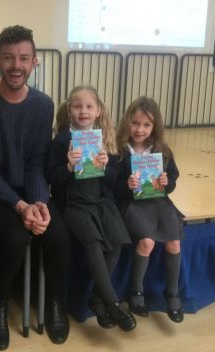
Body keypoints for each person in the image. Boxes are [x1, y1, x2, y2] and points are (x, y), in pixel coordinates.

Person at [0, 25, 71, 350]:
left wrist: (37, 203)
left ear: (34, 62)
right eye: (8, 57)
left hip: (29, 191)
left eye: (24, 58)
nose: (16, 65)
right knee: (13, 237)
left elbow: (37, 162)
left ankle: (55, 303)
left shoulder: (43, 104)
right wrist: (20, 206)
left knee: (57, 234)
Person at [48, 85, 136, 332]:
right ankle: (113, 302)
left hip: (100, 201)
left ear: (98, 110)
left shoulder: (104, 139)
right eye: (77, 106)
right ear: (69, 110)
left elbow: (113, 179)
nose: (83, 111)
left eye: (89, 106)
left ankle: (97, 298)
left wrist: (106, 165)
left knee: (116, 240)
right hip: (73, 205)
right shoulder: (61, 141)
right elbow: (51, 178)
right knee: (93, 241)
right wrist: (68, 167)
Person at [115, 96, 184, 323]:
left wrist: (166, 182)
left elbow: (172, 179)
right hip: (133, 204)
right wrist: (126, 185)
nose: (140, 129)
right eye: (135, 123)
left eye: (146, 124)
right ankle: (135, 290)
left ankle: (172, 293)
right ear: (127, 122)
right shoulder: (119, 151)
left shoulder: (162, 151)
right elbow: (111, 185)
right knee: (147, 242)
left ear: (155, 127)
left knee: (174, 242)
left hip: (159, 203)